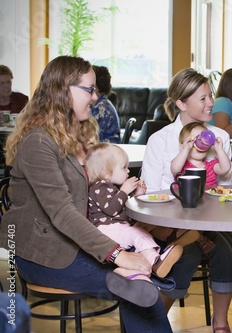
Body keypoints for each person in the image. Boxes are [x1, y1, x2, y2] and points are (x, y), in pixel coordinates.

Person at [0, 56, 173, 332]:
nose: (95, 97)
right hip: (44, 255)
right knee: (139, 286)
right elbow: (62, 212)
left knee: (143, 283)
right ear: (63, 89)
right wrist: (117, 254)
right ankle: (136, 277)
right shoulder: (38, 142)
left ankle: (140, 277)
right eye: (89, 90)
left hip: (75, 244)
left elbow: (92, 195)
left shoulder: (73, 135)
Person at [141, 68, 232, 332]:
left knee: (226, 248)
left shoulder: (221, 137)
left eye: (210, 96)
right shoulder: (160, 140)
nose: (211, 103)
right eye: (202, 99)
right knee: (189, 252)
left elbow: (225, 188)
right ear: (181, 103)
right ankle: (158, 320)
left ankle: (220, 322)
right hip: (169, 224)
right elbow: (150, 194)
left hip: (209, 222)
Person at [85, 142, 190, 283]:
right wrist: (124, 191)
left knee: (143, 226)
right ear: (106, 172)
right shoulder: (99, 188)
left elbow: (122, 208)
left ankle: (169, 238)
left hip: (118, 226)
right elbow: (111, 210)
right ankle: (155, 262)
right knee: (137, 234)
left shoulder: (111, 187)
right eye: (124, 168)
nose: (128, 171)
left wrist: (136, 195)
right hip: (106, 230)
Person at [171, 122, 232, 253]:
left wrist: (219, 150)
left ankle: (200, 236)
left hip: (207, 211)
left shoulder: (210, 166)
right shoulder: (182, 166)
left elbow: (226, 168)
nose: (200, 142)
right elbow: (175, 169)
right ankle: (197, 237)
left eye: (203, 139)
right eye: (194, 139)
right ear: (183, 145)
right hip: (186, 211)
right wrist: (186, 149)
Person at [91, 65, 121, 143]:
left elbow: (89, 137)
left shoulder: (101, 109)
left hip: (104, 151)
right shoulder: (104, 103)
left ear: (95, 86)